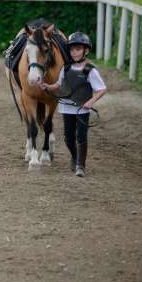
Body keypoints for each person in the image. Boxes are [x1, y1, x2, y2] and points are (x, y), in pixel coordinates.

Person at [39, 32, 106, 177]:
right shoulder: (66, 68)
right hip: (66, 107)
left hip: (82, 109)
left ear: (86, 51)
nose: (74, 53)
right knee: (68, 137)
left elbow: (101, 89)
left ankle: (81, 166)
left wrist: (90, 102)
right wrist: (47, 86)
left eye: (78, 49)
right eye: (72, 50)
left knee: (81, 136)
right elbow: (58, 85)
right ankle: (74, 157)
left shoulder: (90, 70)